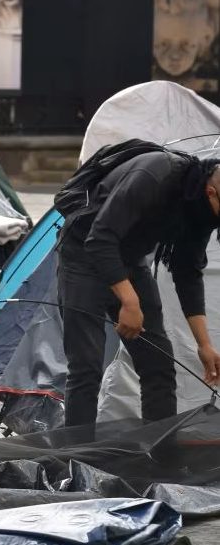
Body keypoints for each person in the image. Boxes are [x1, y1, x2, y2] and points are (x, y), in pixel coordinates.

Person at [57, 147, 220, 434]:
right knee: (86, 368)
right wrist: (129, 300)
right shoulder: (154, 175)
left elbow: (187, 272)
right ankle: (74, 459)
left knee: (158, 366)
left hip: (130, 260)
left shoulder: (201, 209)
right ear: (211, 192)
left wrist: (204, 345)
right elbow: (100, 238)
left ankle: (158, 455)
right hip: (83, 254)